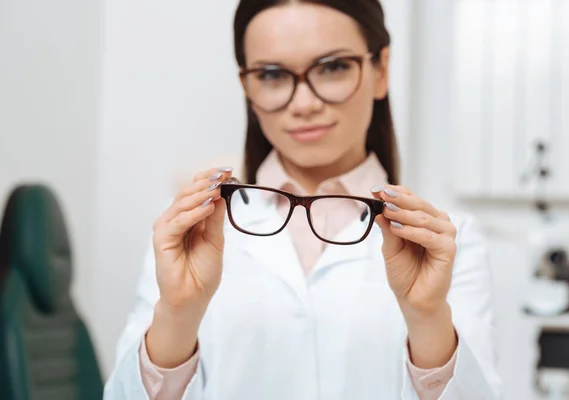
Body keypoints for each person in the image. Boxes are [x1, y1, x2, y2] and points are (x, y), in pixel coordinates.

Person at [104, 1, 502, 399]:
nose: (304, 104)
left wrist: (427, 319)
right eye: (273, 75)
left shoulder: (448, 241)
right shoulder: (188, 234)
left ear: (381, 69)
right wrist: (177, 314)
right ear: (247, 86)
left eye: (332, 67)